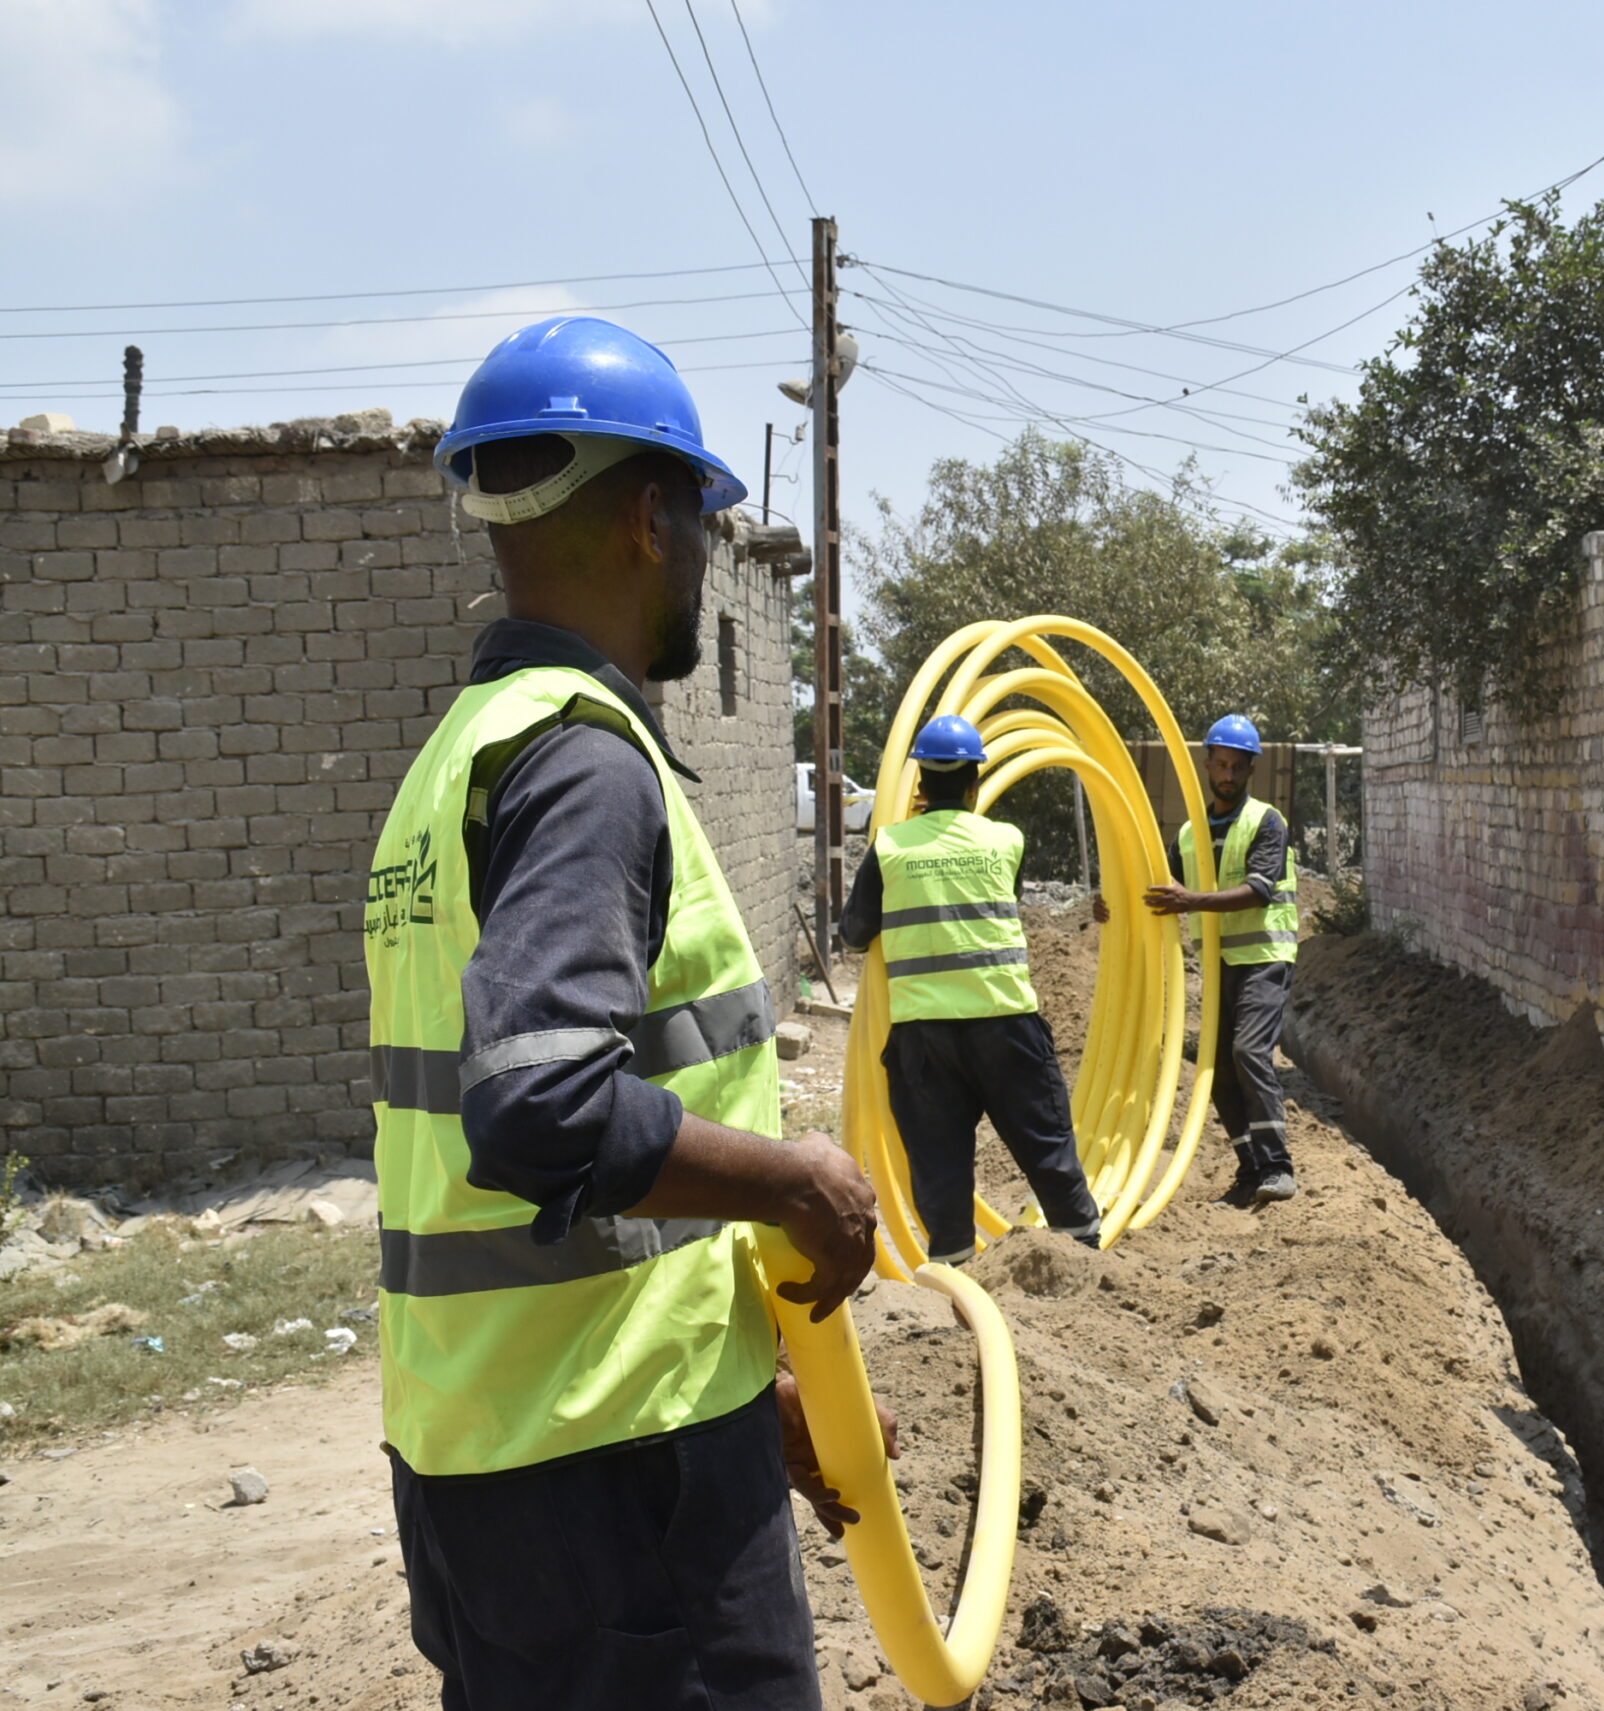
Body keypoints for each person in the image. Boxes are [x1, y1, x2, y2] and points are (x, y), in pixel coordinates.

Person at [367, 315, 886, 1710]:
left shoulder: (451, 765)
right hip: (615, 1473)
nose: (710, 560)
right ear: (653, 516)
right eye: (708, 525)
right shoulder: (587, 769)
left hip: (486, 1458)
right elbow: (541, 1107)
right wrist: (797, 1181)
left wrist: (742, 1370)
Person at [836, 714, 1104, 1264]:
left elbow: (856, 933)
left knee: (940, 1175)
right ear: (975, 779)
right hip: (1005, 1025)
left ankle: (956, 1285)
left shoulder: (888, 848)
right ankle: (1088, 1262)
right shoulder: (1006, 840)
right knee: (1049, 1152)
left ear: (919, 782)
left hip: (924, 1039)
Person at [1144, 715, 1301, 1207]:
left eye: (1237, 767)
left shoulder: (1266, 822)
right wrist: (1113, 905)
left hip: (1263, 956)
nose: (1228, 775)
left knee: (1248, 1052)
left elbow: (1257, 891)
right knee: (1216, 1063)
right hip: (1219, 963)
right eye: (1221, 765)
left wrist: (1192, 901)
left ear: (1251, 769)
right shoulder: (1189, 835)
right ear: (1207, 765)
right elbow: (1161, 893)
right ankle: (1249, 1166)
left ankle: (1278, 1166)